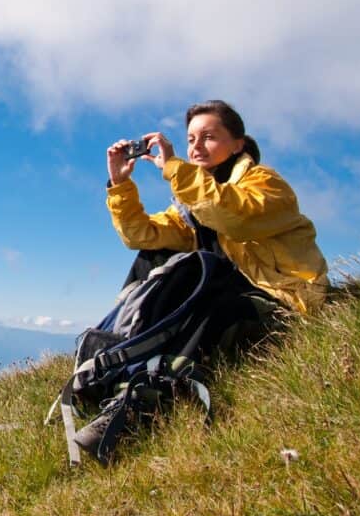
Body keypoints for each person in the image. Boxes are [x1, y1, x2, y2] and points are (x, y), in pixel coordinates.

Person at [104, 99, 328, 350]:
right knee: (153, 254)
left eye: (208, 137)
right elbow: (139, 235)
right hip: (225, 292)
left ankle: (164, 371)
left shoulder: (266, 182)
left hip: (281, 300)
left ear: (237, 145)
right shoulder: (190, 205)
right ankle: (119, 340)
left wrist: (175, 169)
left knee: (206, 304)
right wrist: (120, 184)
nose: (196, 147)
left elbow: (235, 218)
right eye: (190, 140)